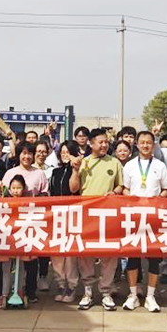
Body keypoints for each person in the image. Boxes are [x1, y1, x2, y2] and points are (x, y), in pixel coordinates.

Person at [69, 128, 123, 311]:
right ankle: (88, 292)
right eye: (101, 142)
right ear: (91, 144)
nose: (104, 145)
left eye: (106, 142)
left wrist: (114, 192)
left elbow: (121, 186)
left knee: (110, 255)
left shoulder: (114, 162)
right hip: (87, 216)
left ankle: (106, 292)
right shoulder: (83, 162)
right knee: (86, 255)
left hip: (109, 216)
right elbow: (73, 188)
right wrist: (75, 170)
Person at [121, 130, 167, 313]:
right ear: (136, 144)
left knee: (154, 259)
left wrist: (158, 199)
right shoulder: (129, 165)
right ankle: (133, 294)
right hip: (134, 217)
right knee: (133, 257)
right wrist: (131, 197)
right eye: (142, 142)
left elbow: (166, 189)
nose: (145, 145)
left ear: (153, 144)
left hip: (153, 217)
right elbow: (125, 189)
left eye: (148, 142)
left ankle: (150, 296)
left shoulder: (160, 165)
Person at [0, 142, 49, 299]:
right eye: (24, 153)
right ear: (19, 155)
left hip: (32, 221)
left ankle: (30, 291)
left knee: (31, 259)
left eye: (30, 153)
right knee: (8, 259)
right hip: (12, 222)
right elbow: (3, 196)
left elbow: (45, 194)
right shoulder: (10, 173)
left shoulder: (39, 173)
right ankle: (5, 292)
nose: (27, 156)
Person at [0, 175, 33, 309]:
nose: (16, 191)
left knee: (20, 267)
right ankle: (4, 294)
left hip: (21, 239)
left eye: (19, 188)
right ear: (9, 189)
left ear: (24, 189)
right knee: (6, 267)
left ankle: (20, 291)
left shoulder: (27, 203)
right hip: (7, 239)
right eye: (13, 188)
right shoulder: (5, 202)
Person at [48, 140, 80, 303]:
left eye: (68, 152)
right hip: (56, 216)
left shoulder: (80, 170)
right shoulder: (55, 171)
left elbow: (74, 189)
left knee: (71, 254)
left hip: (73, 215)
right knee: (57, 253)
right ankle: (60, 284)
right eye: (63, 152)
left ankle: (72, 286)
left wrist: (75, 169)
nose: (65, 155)